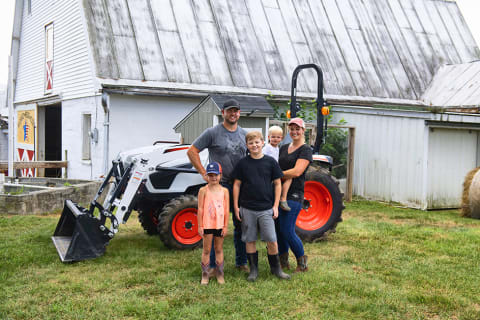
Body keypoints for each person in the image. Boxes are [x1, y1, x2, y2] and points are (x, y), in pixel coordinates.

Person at [187, 99, 249, 274]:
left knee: (241, 224)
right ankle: (213, 266)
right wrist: (203, 173)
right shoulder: (212, 132)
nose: (233, 114)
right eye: (230, 111)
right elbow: (192, 151)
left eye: (236, 111)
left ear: (239, 113)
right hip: (218, 187)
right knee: (214, 226)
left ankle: (242, 262)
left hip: (239, 186)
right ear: (223, 112)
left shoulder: (245, 134)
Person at [233, 131, 290, 281]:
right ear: (247, 145)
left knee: (272, 239)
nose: (254, 145)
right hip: (247, 208)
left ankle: (276, 269)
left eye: (257, 142)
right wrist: (236, 207)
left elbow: (278, 184)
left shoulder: (270, 162)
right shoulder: (243, 163)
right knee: (250, 240)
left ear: (263, 142)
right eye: (251, 143)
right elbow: (236, 185)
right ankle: (253, 270)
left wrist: (276, 205)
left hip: (266, 208)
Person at [275, 118, 312, 272]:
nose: (294, 132)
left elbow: (297, 171)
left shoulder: (305, 150)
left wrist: (276, 175)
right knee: (278, 229)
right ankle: (283, 262)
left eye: (297, 129)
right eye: (291, 129)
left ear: (303, 130)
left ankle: (302, 263)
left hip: (294, 194)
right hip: (278, 192)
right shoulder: (283, 148)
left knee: (287, 229)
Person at [197, 162, 229, 285]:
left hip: (219, 225)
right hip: (207, 224)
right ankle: (205, 274)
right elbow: (200, 209)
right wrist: (200, 225)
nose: (213, 178)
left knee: (219, 249)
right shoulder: (203, 190)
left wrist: (226, 225)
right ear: (206, 176)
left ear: (220, 175)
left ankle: (219, 273)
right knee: (206, 250)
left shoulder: (225, 191)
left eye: (216, 175)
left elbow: (226, 209)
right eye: (210, 175)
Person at [263, 125, 292, 212]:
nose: (276, 139)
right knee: (279, 182)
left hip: (275, 170)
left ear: (281, 138)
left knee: (289, 177)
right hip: (268, 170)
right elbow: (262, 157)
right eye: (273, 137)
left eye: (278, 137)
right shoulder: (267, 147)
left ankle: (283, 198)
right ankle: (280, 199)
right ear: (268, 137)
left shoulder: (278, 148)